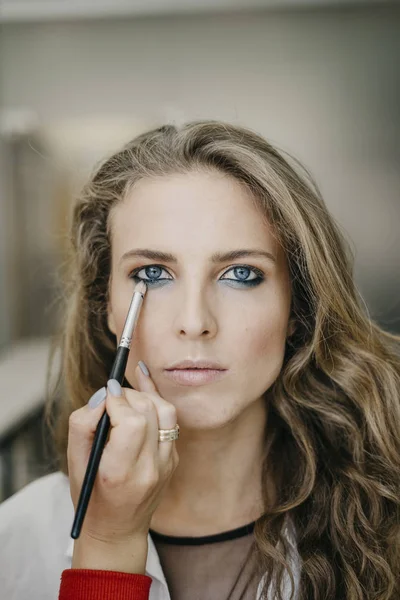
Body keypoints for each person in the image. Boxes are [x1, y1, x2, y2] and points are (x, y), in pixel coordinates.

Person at [0, 121, 399, 600]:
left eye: (241, 274)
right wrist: (107, 546)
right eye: (152, 273)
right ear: (104, 304)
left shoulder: (386, 517)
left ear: (298, 308)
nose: (194, 322)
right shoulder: (15, 542)